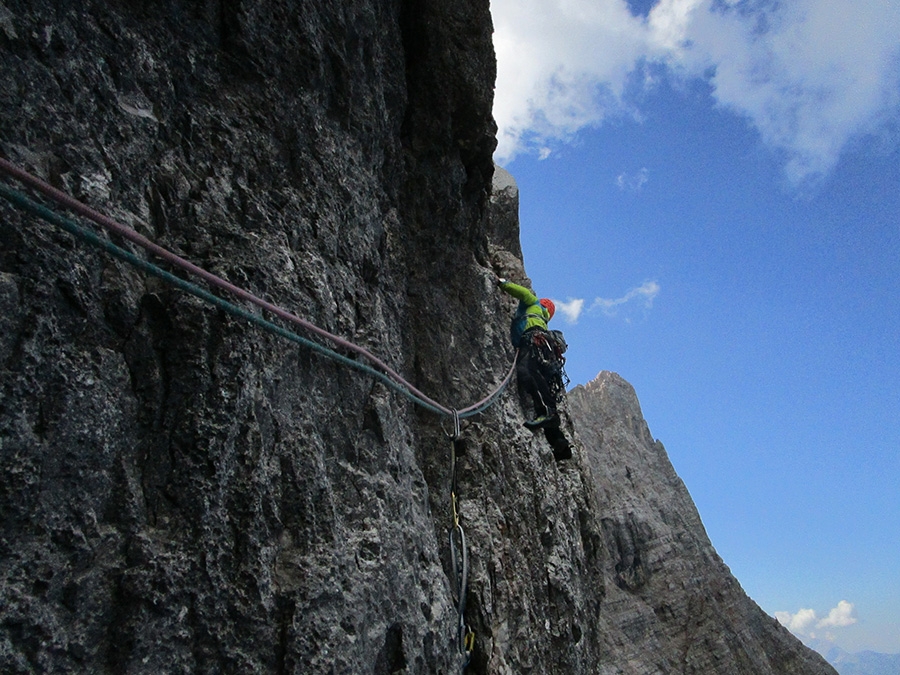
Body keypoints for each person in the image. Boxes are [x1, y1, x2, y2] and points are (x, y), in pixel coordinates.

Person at [496, 275, 573, 460]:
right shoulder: (542, 321)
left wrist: (503, 283)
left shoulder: (534, 305)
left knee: (527, 372)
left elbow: (523, 293)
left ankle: (547, 412)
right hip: (542, 350)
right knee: (541, 382)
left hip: (532, 342)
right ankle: (559, 443)